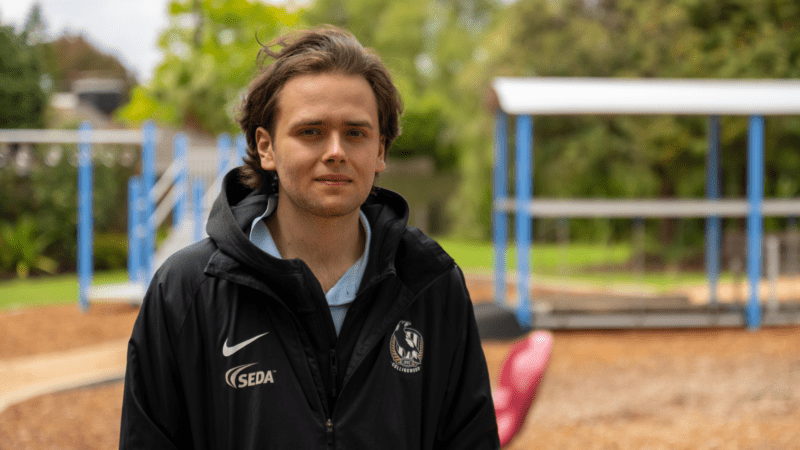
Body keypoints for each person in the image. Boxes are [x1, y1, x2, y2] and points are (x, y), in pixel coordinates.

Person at [119, 26, 500, 449]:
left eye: (355, 133)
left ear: (380, 151)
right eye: (311, 132)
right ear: (266, 147)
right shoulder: (185, 291)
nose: (335, 150)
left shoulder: (431, 284)